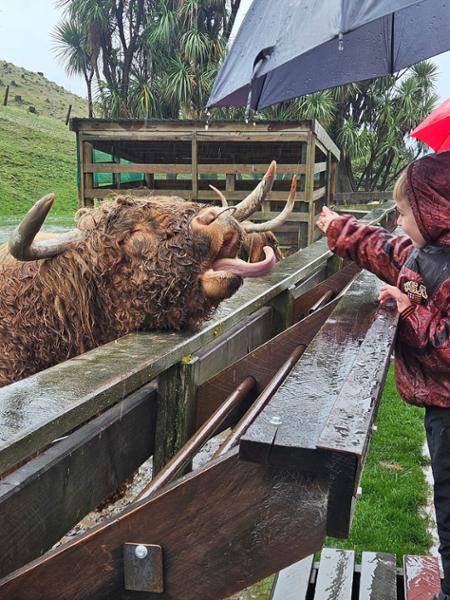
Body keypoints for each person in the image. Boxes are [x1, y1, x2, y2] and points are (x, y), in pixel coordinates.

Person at [317, 151, 450, 600]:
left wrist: (407, 311)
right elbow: (386, 250)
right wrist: (340, 230)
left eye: (405, 210)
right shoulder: (426, 256)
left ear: (434, 210)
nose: (398, 218)